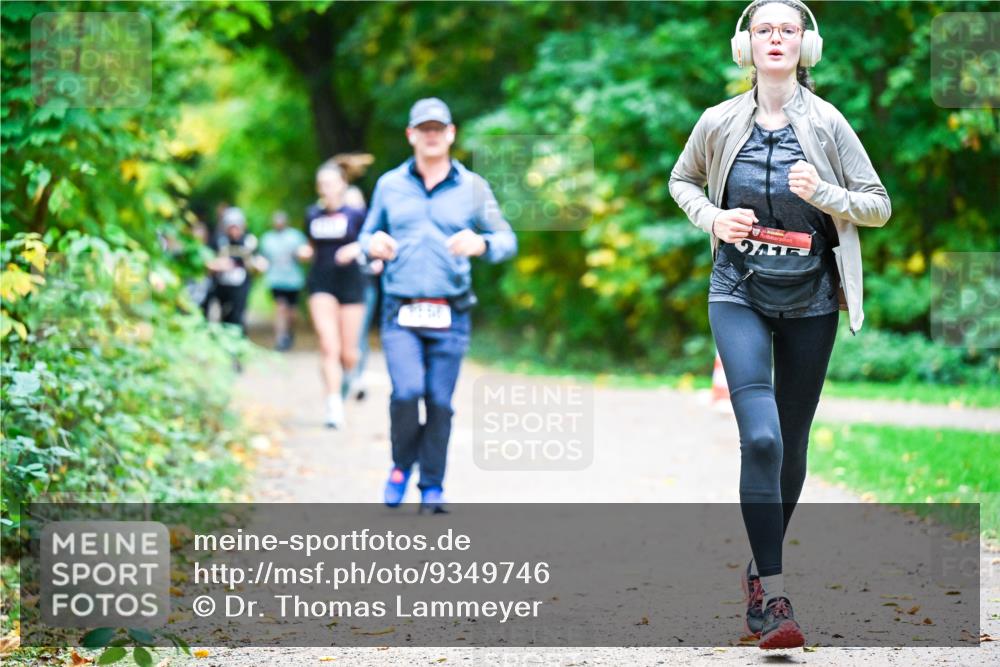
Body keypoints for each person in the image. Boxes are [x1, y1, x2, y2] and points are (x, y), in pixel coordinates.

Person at [668, 0, 890, 650]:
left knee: (790, 444)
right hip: (737, 290)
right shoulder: (718, 121)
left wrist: (824, 193)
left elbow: (877, 205)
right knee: (761, 440)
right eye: (763, 29)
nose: (775, 38)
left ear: (804, 46)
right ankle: (775, 593)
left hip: (811, 300)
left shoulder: (827, 123)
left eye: (787, 30)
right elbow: (682, 181)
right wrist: (713, 218)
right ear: (746, 45)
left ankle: (757, 573)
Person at [359, 97, 517, 514]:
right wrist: (372, 244)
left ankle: (432, 486)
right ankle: (400, 465)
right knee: (407, 393)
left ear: (450, 134)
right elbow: (364, 237)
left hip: (452, 311)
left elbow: (507, 239)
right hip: (401, 310)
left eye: (438, 128)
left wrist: (482, 243)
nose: (431, 135)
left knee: (440, 403)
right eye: (423, 129)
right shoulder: (389, 185)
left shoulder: (473, 187)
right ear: (411, 135)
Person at [302, 161, 370, 429]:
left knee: (348, 352)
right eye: (321, 184)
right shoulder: (312, 214)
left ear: (343, 184)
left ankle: (352, 376)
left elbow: (369, 241)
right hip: (321, 283)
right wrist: (305, 251)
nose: (325, 189)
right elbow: (311, 245)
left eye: (330, 183)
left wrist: (355, 249)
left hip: (351, 283)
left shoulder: (357, 214)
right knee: (328, 345)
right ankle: (333, 406)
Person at [207, 207, 268, 336]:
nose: (234, 231)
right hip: (221, 285)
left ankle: (238, 340)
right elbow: (208, 260)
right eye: (231, 227)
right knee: (223, 314)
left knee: (238, 315)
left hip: (241, 284)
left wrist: (258, 264)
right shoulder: (219, 240)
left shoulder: (249, 241)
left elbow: (259, 259)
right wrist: (218, 265)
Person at [260, 210, 309, 351]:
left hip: (294, 281)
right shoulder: (267, 238)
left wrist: (302, 255)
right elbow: (263, 258)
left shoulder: (296, 236)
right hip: (275, 280)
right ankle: (280, 338)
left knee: (292, 312)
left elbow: (305, 254)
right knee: (280, 308)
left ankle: (289, 333)